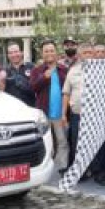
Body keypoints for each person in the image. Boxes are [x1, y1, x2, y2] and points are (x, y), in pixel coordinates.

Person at [29, 41, 70, 170]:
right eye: (46, 51)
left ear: (56, 52)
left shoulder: (64, 69)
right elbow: (33, 88)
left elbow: (69, 90)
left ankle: (62, 167)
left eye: (51, 50)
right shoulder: (36, 70)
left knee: (62, 141)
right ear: (42, 53)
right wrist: (44, 77)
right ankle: (46, 167)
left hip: (60, 113)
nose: (49, 53)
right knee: (46, 142)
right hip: (44, 112)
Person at [62, 42, 96, 182]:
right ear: (79, 55)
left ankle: (97, 171)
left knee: (94, 144)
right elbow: (66, 93)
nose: (88, 55)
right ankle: (78, 172)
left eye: (90, 52)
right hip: (77, 114)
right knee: (76, 143)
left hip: (95, 115)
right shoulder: (73, 71)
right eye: (85, 53)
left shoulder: (101, 71)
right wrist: (63, 114)